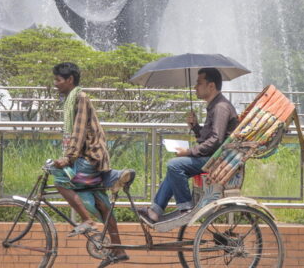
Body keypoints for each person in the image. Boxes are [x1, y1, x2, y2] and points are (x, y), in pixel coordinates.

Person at [50, 62, 133, 267]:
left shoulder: (80, 97)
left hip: (89, 158)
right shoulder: (72, 98)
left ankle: (86, 220)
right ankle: (118, 248)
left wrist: (68, 158)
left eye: (58, 80)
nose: (55, 84)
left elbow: (78, 133)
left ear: (70, 80)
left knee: (58, 177)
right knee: (102, 203)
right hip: (91, 158)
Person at [139, 68, 238, 223]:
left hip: (216, 160)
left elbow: (216, 140)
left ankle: (186, 208)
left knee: (175, 166)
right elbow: (209, 138)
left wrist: (189, 152)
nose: (195, 87)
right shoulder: (215, 106)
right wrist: (195, 127)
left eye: (199, 83)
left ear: (211, 86)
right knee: (174, 168)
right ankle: (155, 211)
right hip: (211, 157)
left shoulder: (221, 107)